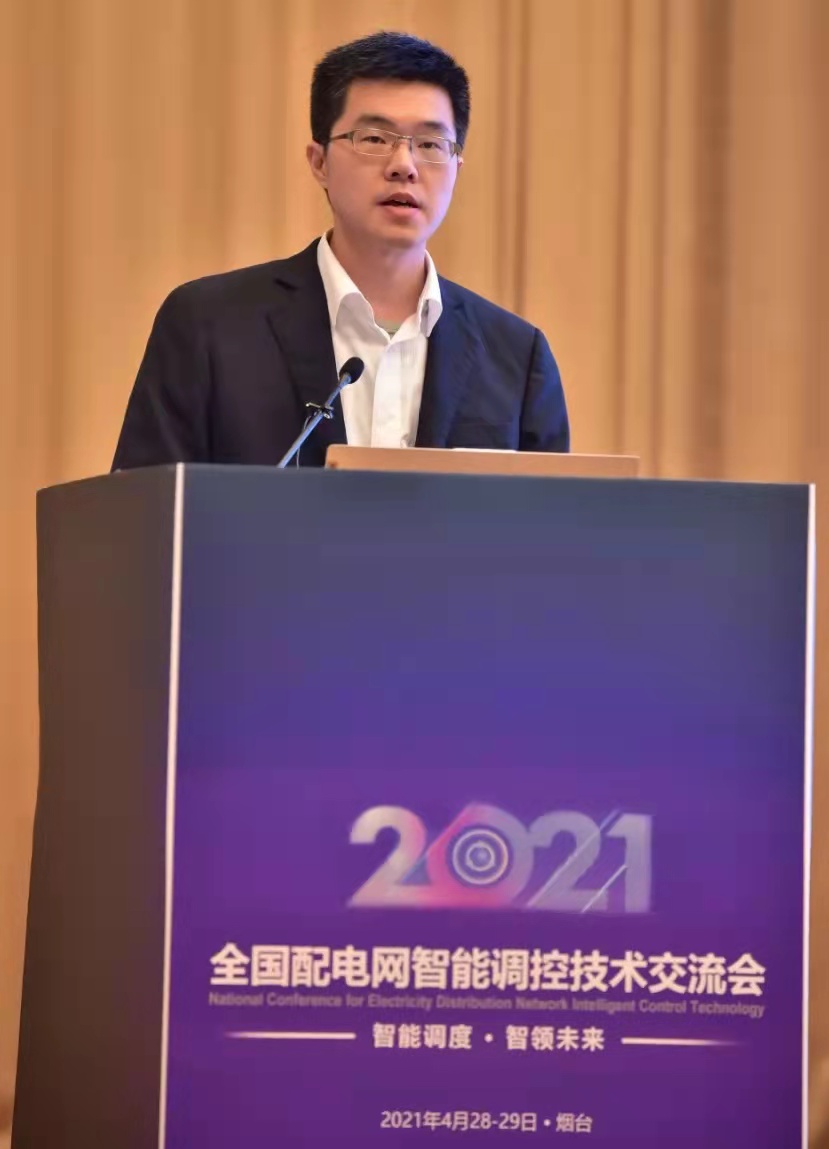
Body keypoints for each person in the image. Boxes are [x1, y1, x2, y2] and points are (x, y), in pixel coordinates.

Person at [111, 30, 569, 470]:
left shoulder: (516, 357)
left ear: (456, 169)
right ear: (320, 162)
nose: (404, 166)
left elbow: (549, 518)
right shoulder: (209, 325)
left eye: (430, 144)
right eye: (375, 139)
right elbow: (146, 512)